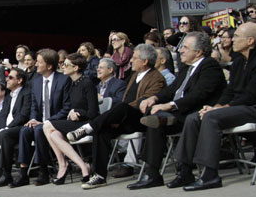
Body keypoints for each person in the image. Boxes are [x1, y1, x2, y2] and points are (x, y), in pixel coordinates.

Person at [170, 22, 256, 191]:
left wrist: (220, 109)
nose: (230, 40)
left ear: (250, 40)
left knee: (211, 117)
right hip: (238, 107)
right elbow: (229, 91)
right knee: (195, 117)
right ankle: (185, 171)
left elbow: (253, 96)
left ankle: (210, 174)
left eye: (236, 36)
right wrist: (217, 105)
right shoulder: (238, 62)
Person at [126, 31, 226, 189]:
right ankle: (152, 174)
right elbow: (171, 90)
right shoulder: (187, 69)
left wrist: (169, 105)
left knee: (158, 117)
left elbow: (198, 95)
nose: (181, 50)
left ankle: (184, 172)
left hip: (196, 113)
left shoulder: (209, 66)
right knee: (155, 118)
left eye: (185, 47)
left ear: (198, 52)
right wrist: (155, 98)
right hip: (180, 114)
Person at [67, 44, 166, 189]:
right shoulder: (134, 76)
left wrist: (118, 115)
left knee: (121, 107)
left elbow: (142, 103)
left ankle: (87, 127)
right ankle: (99, 176)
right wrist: (115, 118)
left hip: (143, 120)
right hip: (126, 120)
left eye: (135, 58)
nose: (131, 60)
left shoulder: (157, 78)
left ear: (145, 61)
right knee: (102, 129)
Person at [11, 48, 72, 187]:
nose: (36, 65)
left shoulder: (64, 80)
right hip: (40, 122)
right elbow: (34, 106)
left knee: (39, 130)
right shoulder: (36, 82)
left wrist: (45, 122)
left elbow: (66, 108)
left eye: (39, 62)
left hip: (57, 122)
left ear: (49, 66)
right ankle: (23, 172)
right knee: (25, 130)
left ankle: (43, 171)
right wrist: (32, 119)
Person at [42, 54, 99, 185]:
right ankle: (82, 166)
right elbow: (73, 107)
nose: (63, 67)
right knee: (54, 134)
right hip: (77, 123)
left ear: (76, 67)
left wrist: (77, 112)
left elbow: (93, 113)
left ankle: (64, 165)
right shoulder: (72, 84)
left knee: (47, 126)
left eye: (66, 65)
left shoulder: (87, 83)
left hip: (88, 124)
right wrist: (73, 112)